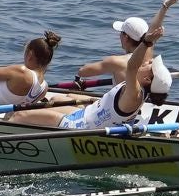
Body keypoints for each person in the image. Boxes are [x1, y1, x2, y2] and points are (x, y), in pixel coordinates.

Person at [11, 25, 170, 129]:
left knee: (20, 115)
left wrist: (146, 42)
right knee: (55, 100)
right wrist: (164, 10)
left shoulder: (134, 92)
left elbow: (132, 66)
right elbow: (145, 51)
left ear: (148, 79)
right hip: (87, 114)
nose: (149, 61)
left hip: (79, 126)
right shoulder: (143, 89)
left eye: (151, 66)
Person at [75, 0, 179, 86]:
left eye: (121, 32)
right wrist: (166, 5)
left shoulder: (117, 62)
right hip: (141, 98)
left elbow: (82, 71)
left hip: (122, 101)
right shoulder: (148, 49)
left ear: (125, 37)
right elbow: (154, 27)